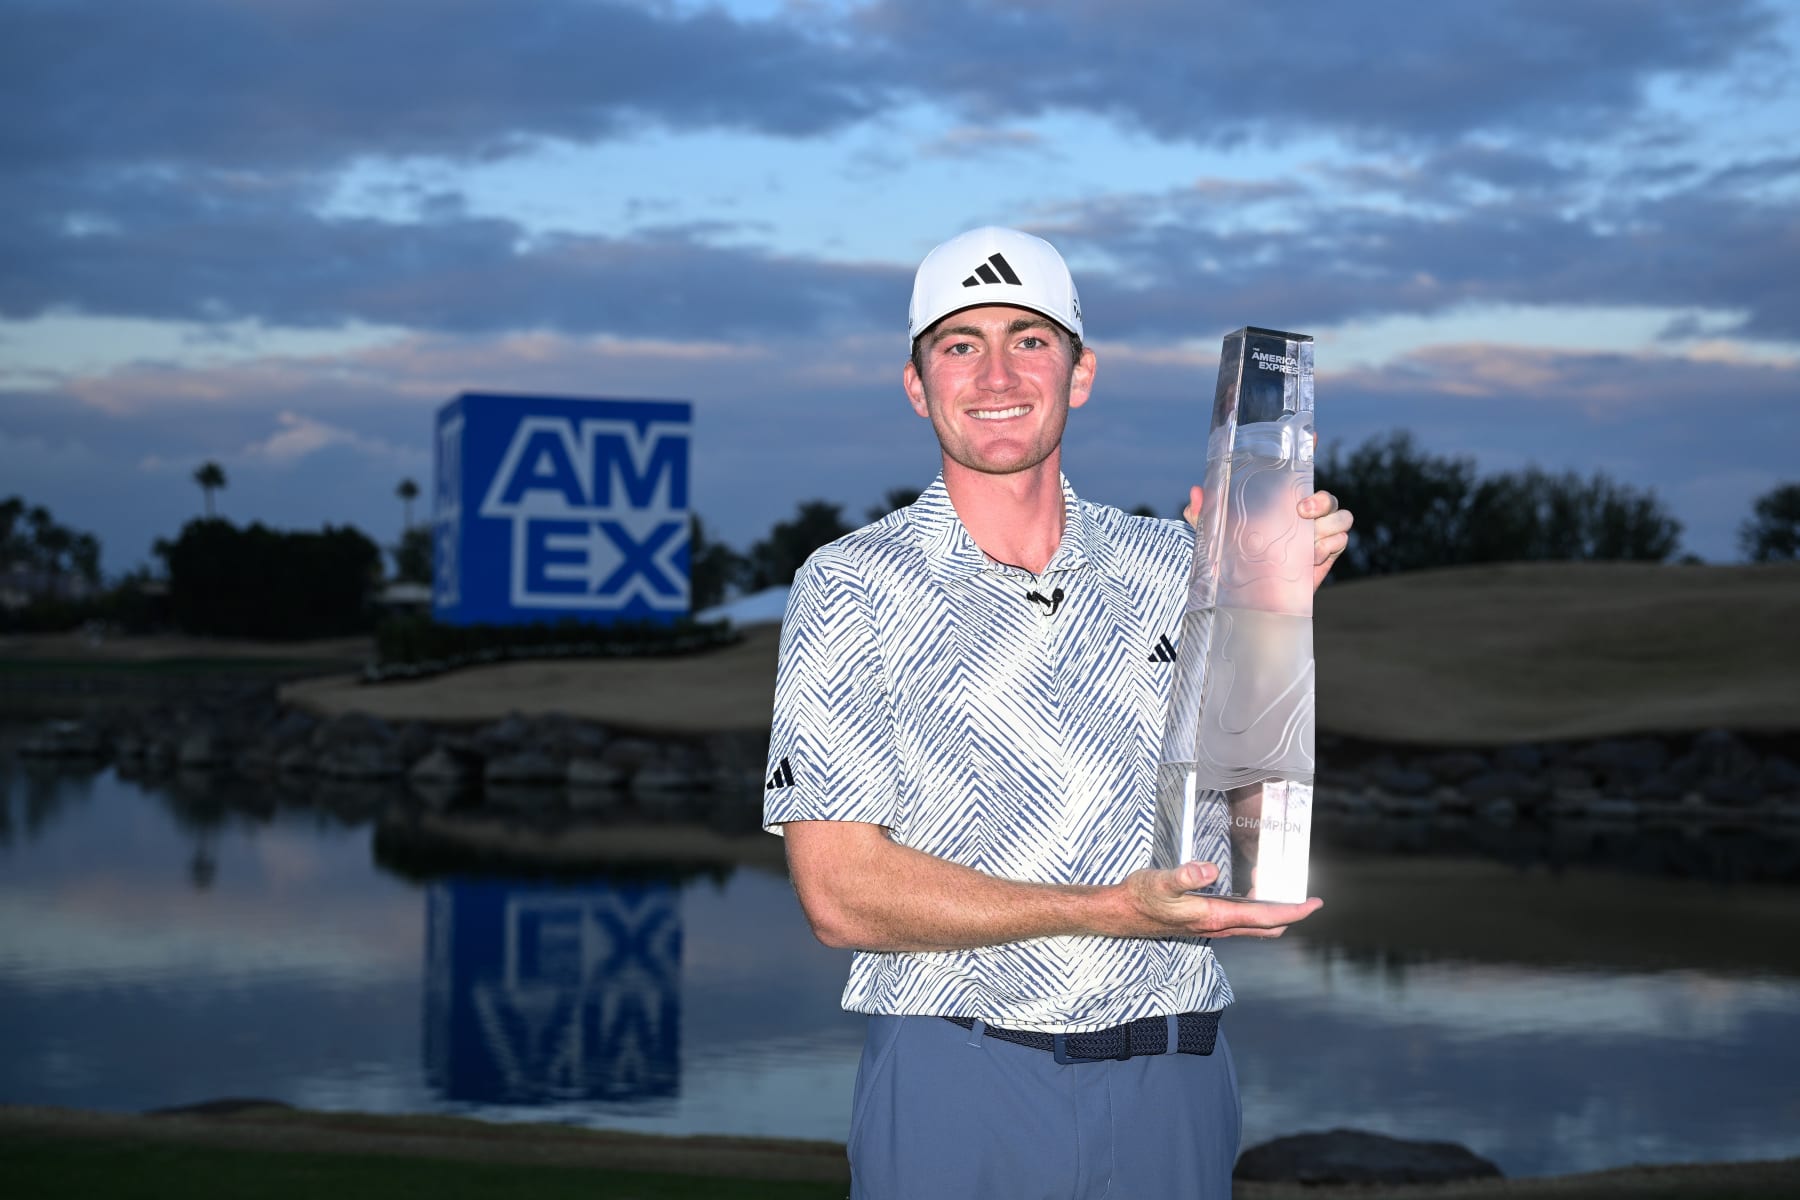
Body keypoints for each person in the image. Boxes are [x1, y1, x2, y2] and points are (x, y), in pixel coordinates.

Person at [763, 226, 1354, 1199]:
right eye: (960, 344)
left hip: (1177, 1075)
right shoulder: (853, 585)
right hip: (961, 1076)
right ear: (918, 385)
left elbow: (1243, 812)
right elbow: (840, 894)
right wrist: (1112, 913)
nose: (997, 372)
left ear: (1080, 374)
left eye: (1030, 340)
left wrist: (1267, 616)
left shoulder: (1176, 566)